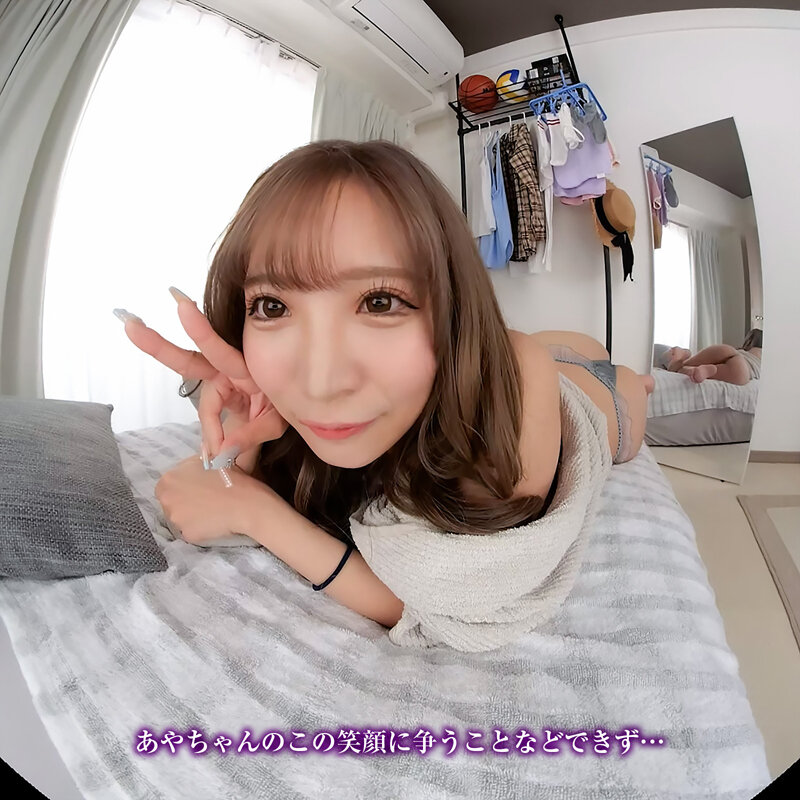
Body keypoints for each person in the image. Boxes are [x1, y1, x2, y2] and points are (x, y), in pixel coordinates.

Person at [116, 139, 654, 642]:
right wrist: (244, 433)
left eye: (380, 302)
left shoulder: (513, 376)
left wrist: (254, 512)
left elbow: (461, 601)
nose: (320, 384)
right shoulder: (282, 384)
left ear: (454, 308)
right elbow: (233, 480)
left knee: (625, 380)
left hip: (589, 399)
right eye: (273, 307)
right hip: (530, 353)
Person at [660, 328, 763, 385]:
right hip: (743, 366)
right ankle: (698, 370)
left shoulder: (743, 351)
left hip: (729, 352)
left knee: (725, 351)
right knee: (740, 376)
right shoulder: (762, 353)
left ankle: (686, 365)